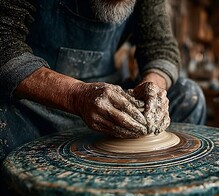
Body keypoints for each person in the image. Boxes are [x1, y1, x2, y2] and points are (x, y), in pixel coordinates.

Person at [0, 0, 206, 160]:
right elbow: (4, 42)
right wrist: (76, 96)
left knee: (189, 95)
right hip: (35, 103)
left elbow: (160, 46)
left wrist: (153, 86)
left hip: (112, 98)